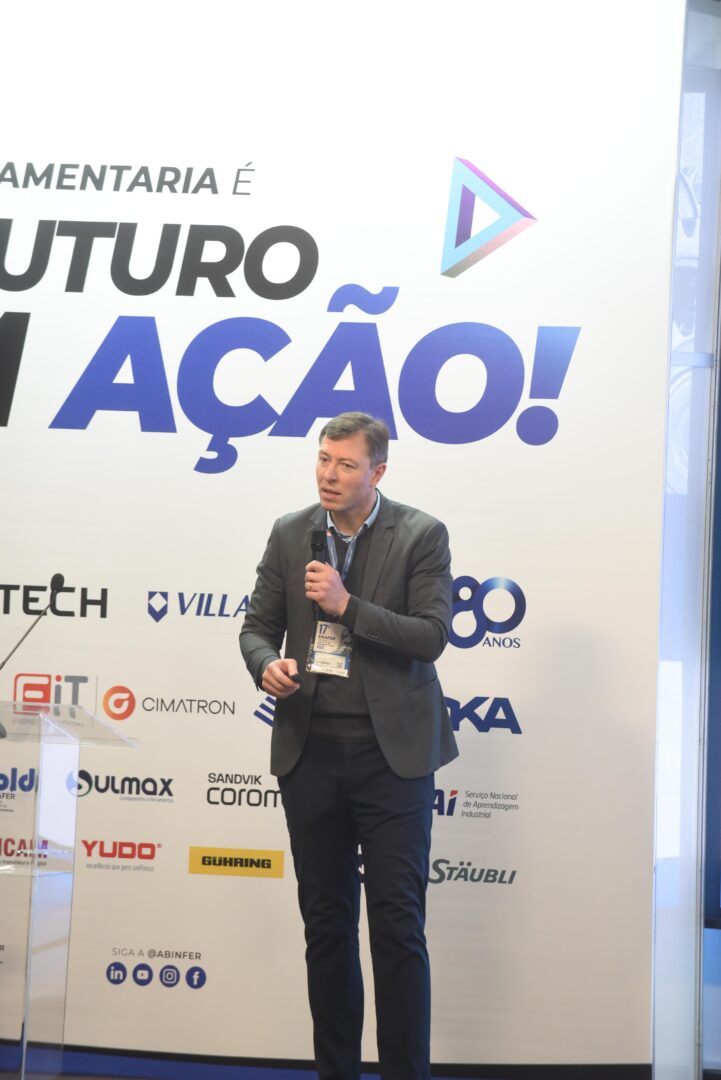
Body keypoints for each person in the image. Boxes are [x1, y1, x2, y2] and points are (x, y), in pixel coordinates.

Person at [239, 412, 458, 1080]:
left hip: (392, 760)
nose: (329, 475)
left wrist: (346, 606)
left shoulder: (421, 534)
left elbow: (430, 636)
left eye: (346, 465)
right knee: (327, 927)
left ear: (377, 472)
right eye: (323, 460)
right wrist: (265, 665)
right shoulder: (290, 531)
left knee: (397, 928)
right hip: (311, 754)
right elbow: (256, 628)